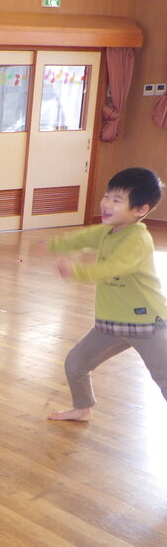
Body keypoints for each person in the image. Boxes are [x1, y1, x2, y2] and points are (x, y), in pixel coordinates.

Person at [47, 167, 166, 422]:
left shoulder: (137, 238)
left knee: (164, 376)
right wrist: (56, 243)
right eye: (106, 196)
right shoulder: (106, 231)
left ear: (140, 209)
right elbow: (83, 236)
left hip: (147, 324)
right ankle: (82, 408)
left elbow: (115, 267)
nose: (107, 204)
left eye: (116, 200)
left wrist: (76, 271)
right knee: (76, 364)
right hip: (110, 324)